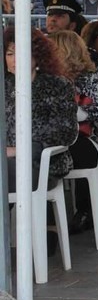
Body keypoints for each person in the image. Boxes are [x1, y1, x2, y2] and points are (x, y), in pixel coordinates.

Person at [4, 29, 78, 220]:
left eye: (22, 52)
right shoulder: (4, 86)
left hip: (44, 163)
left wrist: (19, 149)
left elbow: (64, 131)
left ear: (37, 55)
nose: (15, 59)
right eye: (10, 53)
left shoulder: (57, 85)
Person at [47, 30, 98, 237]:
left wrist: (66, 111)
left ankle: (84, 211)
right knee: (40, 157)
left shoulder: (91, 77)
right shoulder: (46, 78)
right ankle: (48, 220)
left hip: (87, 136)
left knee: (77, 149)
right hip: (56, 137)